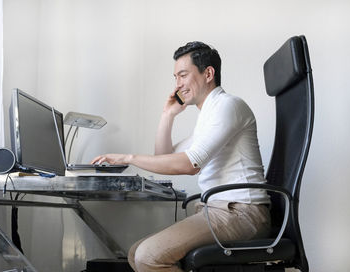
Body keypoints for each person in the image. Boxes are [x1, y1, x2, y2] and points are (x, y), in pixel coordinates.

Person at [91, 41, 271, 272]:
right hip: (218, 210)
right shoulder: (208, 117)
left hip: (242, 213)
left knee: (149, 256)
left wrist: (128, 157)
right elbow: (163, 157)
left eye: (183, 75)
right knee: (137, 252)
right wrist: (168, 115)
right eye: (175, 77)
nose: (178, 85)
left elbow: (189, 164)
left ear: (208, 73)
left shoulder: (228, 106)